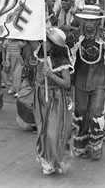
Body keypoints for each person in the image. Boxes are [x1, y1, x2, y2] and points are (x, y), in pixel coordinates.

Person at [67, 5, 105, 160]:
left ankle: (96, 145)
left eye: (92, 21)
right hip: (80, 81)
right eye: (86, 20)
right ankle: (80, 145)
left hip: (101, 82)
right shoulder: (74, 37)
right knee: (80, 113)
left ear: (98, 21)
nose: (89, 24)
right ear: (81, 20)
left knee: (96, 114)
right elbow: (66, 58)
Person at [33, 27, 73, 175]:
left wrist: (51, 75)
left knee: (53, 132)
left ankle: (54, 160)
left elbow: (67, 84)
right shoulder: (40, 54)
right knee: (42, 129)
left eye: (47, 41)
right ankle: (45, 160)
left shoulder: (61, 61)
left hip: (55, 98)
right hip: (40, 96)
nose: (43, 43)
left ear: (54, 44)